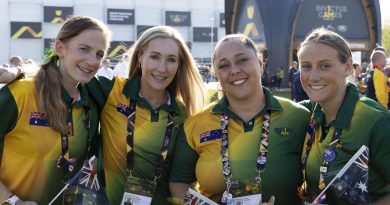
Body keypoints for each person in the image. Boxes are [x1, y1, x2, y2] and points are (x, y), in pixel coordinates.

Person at [169, 34, 310, 205]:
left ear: (260, 63)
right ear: (217, 74)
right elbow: (179, 182)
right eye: (224, 65)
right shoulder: (196, 124)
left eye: (242, 60)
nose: (234, 70)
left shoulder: (298, 117)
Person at [86, 25, 206, 205]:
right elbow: (66, 80)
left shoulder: (183, 114)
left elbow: (183, 181)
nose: (162, 68)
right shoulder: (112, 91)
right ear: (141, 56)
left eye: (171, 60)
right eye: (155, 57)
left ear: (179, 64)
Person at [0, 16, 111, 205]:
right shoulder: (20, 93)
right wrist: (11, 201)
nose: (92, 61)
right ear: (60, 48)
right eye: (84, 49)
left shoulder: (92, 100)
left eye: (99, 54)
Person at [297, 27, 390, 204]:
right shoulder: (307, 113)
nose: (314, 76)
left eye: (325, 66)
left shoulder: (375, 120)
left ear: (347, 67)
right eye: (306, 66)